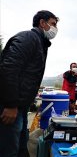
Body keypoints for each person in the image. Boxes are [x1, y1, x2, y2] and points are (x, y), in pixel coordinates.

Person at [0, 10, 59, 157]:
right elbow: (8, 69)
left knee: (21, 146)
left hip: (21, 106)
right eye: (53, 24)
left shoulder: (40, 43)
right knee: (9, 150)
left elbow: (28, 78)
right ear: (42, 23)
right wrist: (10, 105)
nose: (55, 29)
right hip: (11, 107)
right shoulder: (28, 38)